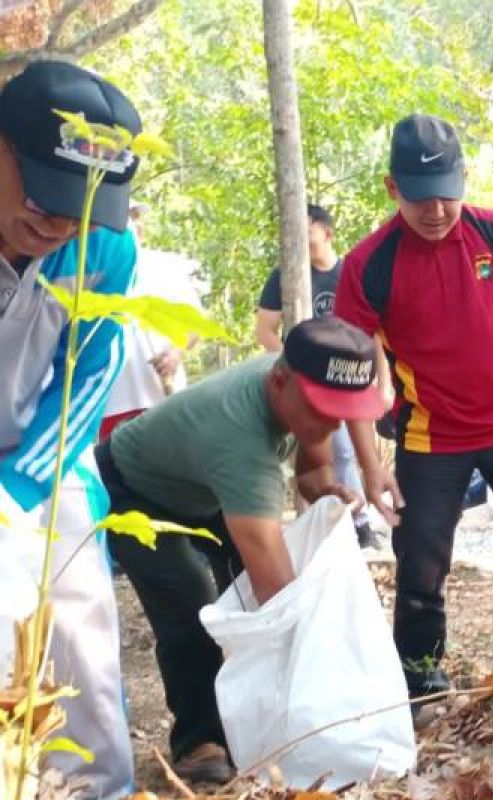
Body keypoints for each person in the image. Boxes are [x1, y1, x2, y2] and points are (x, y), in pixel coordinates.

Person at [335, 113, 493, 700]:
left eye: (448, 195)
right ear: (392, 187)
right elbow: (352, 375)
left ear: (465, 180)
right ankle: (423, 676)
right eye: (422, 198)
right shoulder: (368, 265)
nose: (437, 211)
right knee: (420, 565)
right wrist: (371, 464)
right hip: (429, 437)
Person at [99, 317, 387, 782]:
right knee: (192, 603)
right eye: (324, 409)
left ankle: (253, 714)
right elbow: (279, 593)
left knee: (250, 588)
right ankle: (198, 740)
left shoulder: (304, 401)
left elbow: (312, 474)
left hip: (203, 487)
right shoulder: (238, 438)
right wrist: (331, 685)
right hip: (135, 486)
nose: (334, 422)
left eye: (344, 410)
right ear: (279, 381)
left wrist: (327, 492)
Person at [0, 60, 142, 799]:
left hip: (45, 461)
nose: (55, 224)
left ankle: (98, 790)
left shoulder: (106, 250)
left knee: (78, 637)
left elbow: (91, 371)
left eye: (77, 209)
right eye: (41, 196)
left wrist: (20, 488)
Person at [255, 203, 379, 548]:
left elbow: (375, 334)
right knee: (319, 451)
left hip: (351, 381)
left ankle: (357, 521)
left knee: (342, 451)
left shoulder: (350, 274)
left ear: (326, 233)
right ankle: (339, 525)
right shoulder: (285, 276)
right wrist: (293, 375)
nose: (299, 238)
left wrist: (380, 384)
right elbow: (265, 329)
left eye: (305, 230)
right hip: (303, 384)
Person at [99, 200, 202, 438]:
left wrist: (176, 353)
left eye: (134, 219)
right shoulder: (94, 270)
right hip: (110, 402)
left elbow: (195, 325)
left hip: (160, 395)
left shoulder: (165, 268)